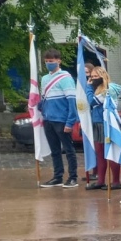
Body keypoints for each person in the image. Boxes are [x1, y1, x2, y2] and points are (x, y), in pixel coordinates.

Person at [38, 49, 80, 188]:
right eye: (47, 61)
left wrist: (70, 121)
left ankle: (73, 177)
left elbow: (71, 101)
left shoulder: (66, 78)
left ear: (58, 61)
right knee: (54, 150)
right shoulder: (44, 79)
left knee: (68, 149)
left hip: (61, 119)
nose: (49, 63)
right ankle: (58, 176)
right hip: (48, 118)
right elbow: (44, 98)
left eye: (51, 61)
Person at [86, 65, 121, 190]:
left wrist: (88, 87)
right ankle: (100, 180)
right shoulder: (96, 89)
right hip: (97, 123)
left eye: (95, 76)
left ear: (103, 76)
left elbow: (91, 102)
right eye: (91, 77)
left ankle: (116, 181)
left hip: (107, 124)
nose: (92, 79)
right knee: (100, 154)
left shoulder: (108, 90)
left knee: (111, 153)